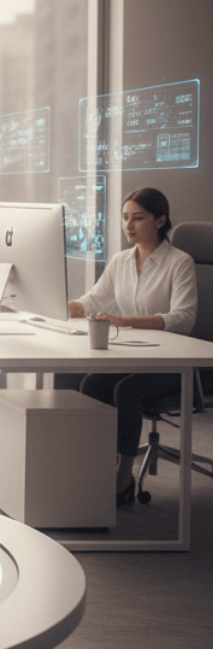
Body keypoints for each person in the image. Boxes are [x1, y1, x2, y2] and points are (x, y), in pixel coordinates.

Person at [70, 187, 197, 504]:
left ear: (160, 220)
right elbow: (93, 301)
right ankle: (95, 469)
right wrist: (65, 304)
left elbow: (183, 318)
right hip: (135, 357)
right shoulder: (121, 260)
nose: (129, 225)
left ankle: (123, 475)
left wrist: (126, 321)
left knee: (125, 391)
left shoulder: (180, 262)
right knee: (91, 383)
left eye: (138, 218)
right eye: (125, 218)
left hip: (174, 363)